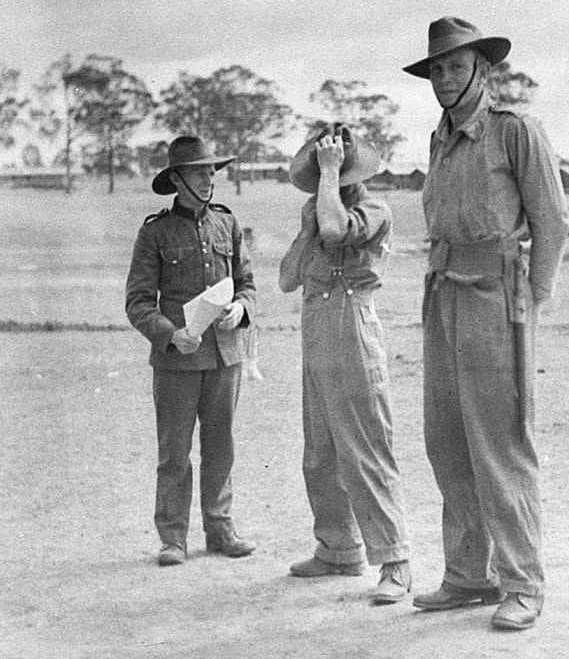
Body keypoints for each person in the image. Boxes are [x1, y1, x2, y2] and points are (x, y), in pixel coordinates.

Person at [402, 16, 569, 630]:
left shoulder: (514, 131)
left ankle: (523, 583)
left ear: (482, 68)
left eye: (455, 66)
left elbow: (552, 223)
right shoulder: (439, 138)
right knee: (446, 440)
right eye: (437, 69)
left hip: (495, 297)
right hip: (442, 292)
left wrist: (532, 299)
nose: (445, 78)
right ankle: (470, 575)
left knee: (500, 444)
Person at [278, 123, 412, 605]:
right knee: (321, 447)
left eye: (331, 170)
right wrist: (306, 229)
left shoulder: (374, 208)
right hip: (315, 322)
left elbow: (338, 229)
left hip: (352, 319)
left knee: (365, 445)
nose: (323, 179)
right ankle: (338, 547)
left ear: (349, 171)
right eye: (320, 171)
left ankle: (395, 559)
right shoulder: (314, 209)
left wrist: (329, 184)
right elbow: (287, 279)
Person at [125, 135, 257, 566]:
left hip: (225, 356)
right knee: (175, 451)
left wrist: (241, 307)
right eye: (199, 172)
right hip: (177, 359)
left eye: (212, 171)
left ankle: (220, 530)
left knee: (221, 445)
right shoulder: (155, 233)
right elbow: (138, 302)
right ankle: (173, 538)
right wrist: (170, 333)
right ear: (177, 179)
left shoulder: (228, 224)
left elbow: (247, 283)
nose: (209, 179)